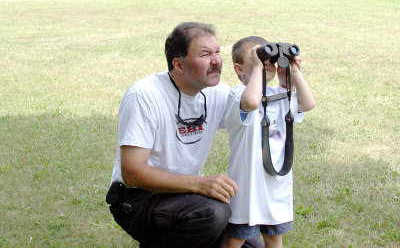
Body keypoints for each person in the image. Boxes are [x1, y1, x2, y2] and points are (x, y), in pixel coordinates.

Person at [106, 22, 264, 248]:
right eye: (205, 54)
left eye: (218, 52)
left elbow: (251, 106)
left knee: (252, 245)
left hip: (185, 196)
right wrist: (199, 184)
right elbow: (132, 172)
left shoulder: (217, 93)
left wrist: (276, 72)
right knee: (214, 213)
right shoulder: (145, 95)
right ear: (179, 64)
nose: (216, 60)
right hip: (136, 199)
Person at [221, 36, 315, 248]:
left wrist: (294, 72)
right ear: (239, 69)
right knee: (235, 240)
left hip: (275, 185)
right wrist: (258, 68)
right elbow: (251, 102)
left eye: (269, 61)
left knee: (274, 238)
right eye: (258, 60)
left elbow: (308, 104)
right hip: (247, 188)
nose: (266, 66)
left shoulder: (279, 95)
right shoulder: (237, 95)